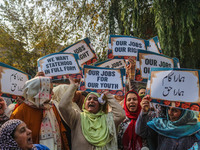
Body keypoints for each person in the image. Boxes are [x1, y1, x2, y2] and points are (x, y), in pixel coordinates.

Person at [58, 77, 126, 150]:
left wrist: (108, 95)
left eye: (96, 99)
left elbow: (121, 115)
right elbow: (62, 106)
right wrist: (72, 86)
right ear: (85, 103)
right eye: (89, 99)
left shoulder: (107, 119)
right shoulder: (77, 118)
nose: (91, 101)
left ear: (101, 105)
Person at [10, 76, 69, 150]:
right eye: (50, 90)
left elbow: (62, 134)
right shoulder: (20, 113)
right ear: (39, 92)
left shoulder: (51, 107)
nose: (53, 93)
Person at [136, 95, 200, 150]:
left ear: (185, 113)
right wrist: (144, 112)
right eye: (169, 109)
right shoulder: (160, 124)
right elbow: (141, 132)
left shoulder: (196, 129)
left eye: (175, 110)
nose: (170, 113)